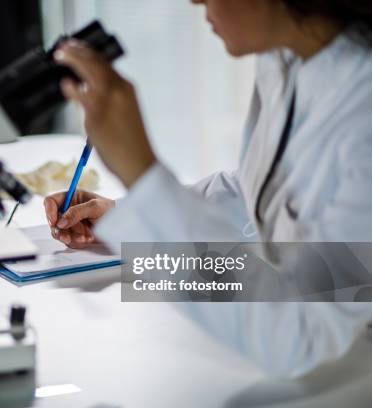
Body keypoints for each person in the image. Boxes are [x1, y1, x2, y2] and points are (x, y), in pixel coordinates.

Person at [44, 0, 372, 377]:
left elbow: (300, 333)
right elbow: (261, 191)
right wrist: (130, 215)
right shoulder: (286, 61)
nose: (195, 1)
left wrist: (144, 175)